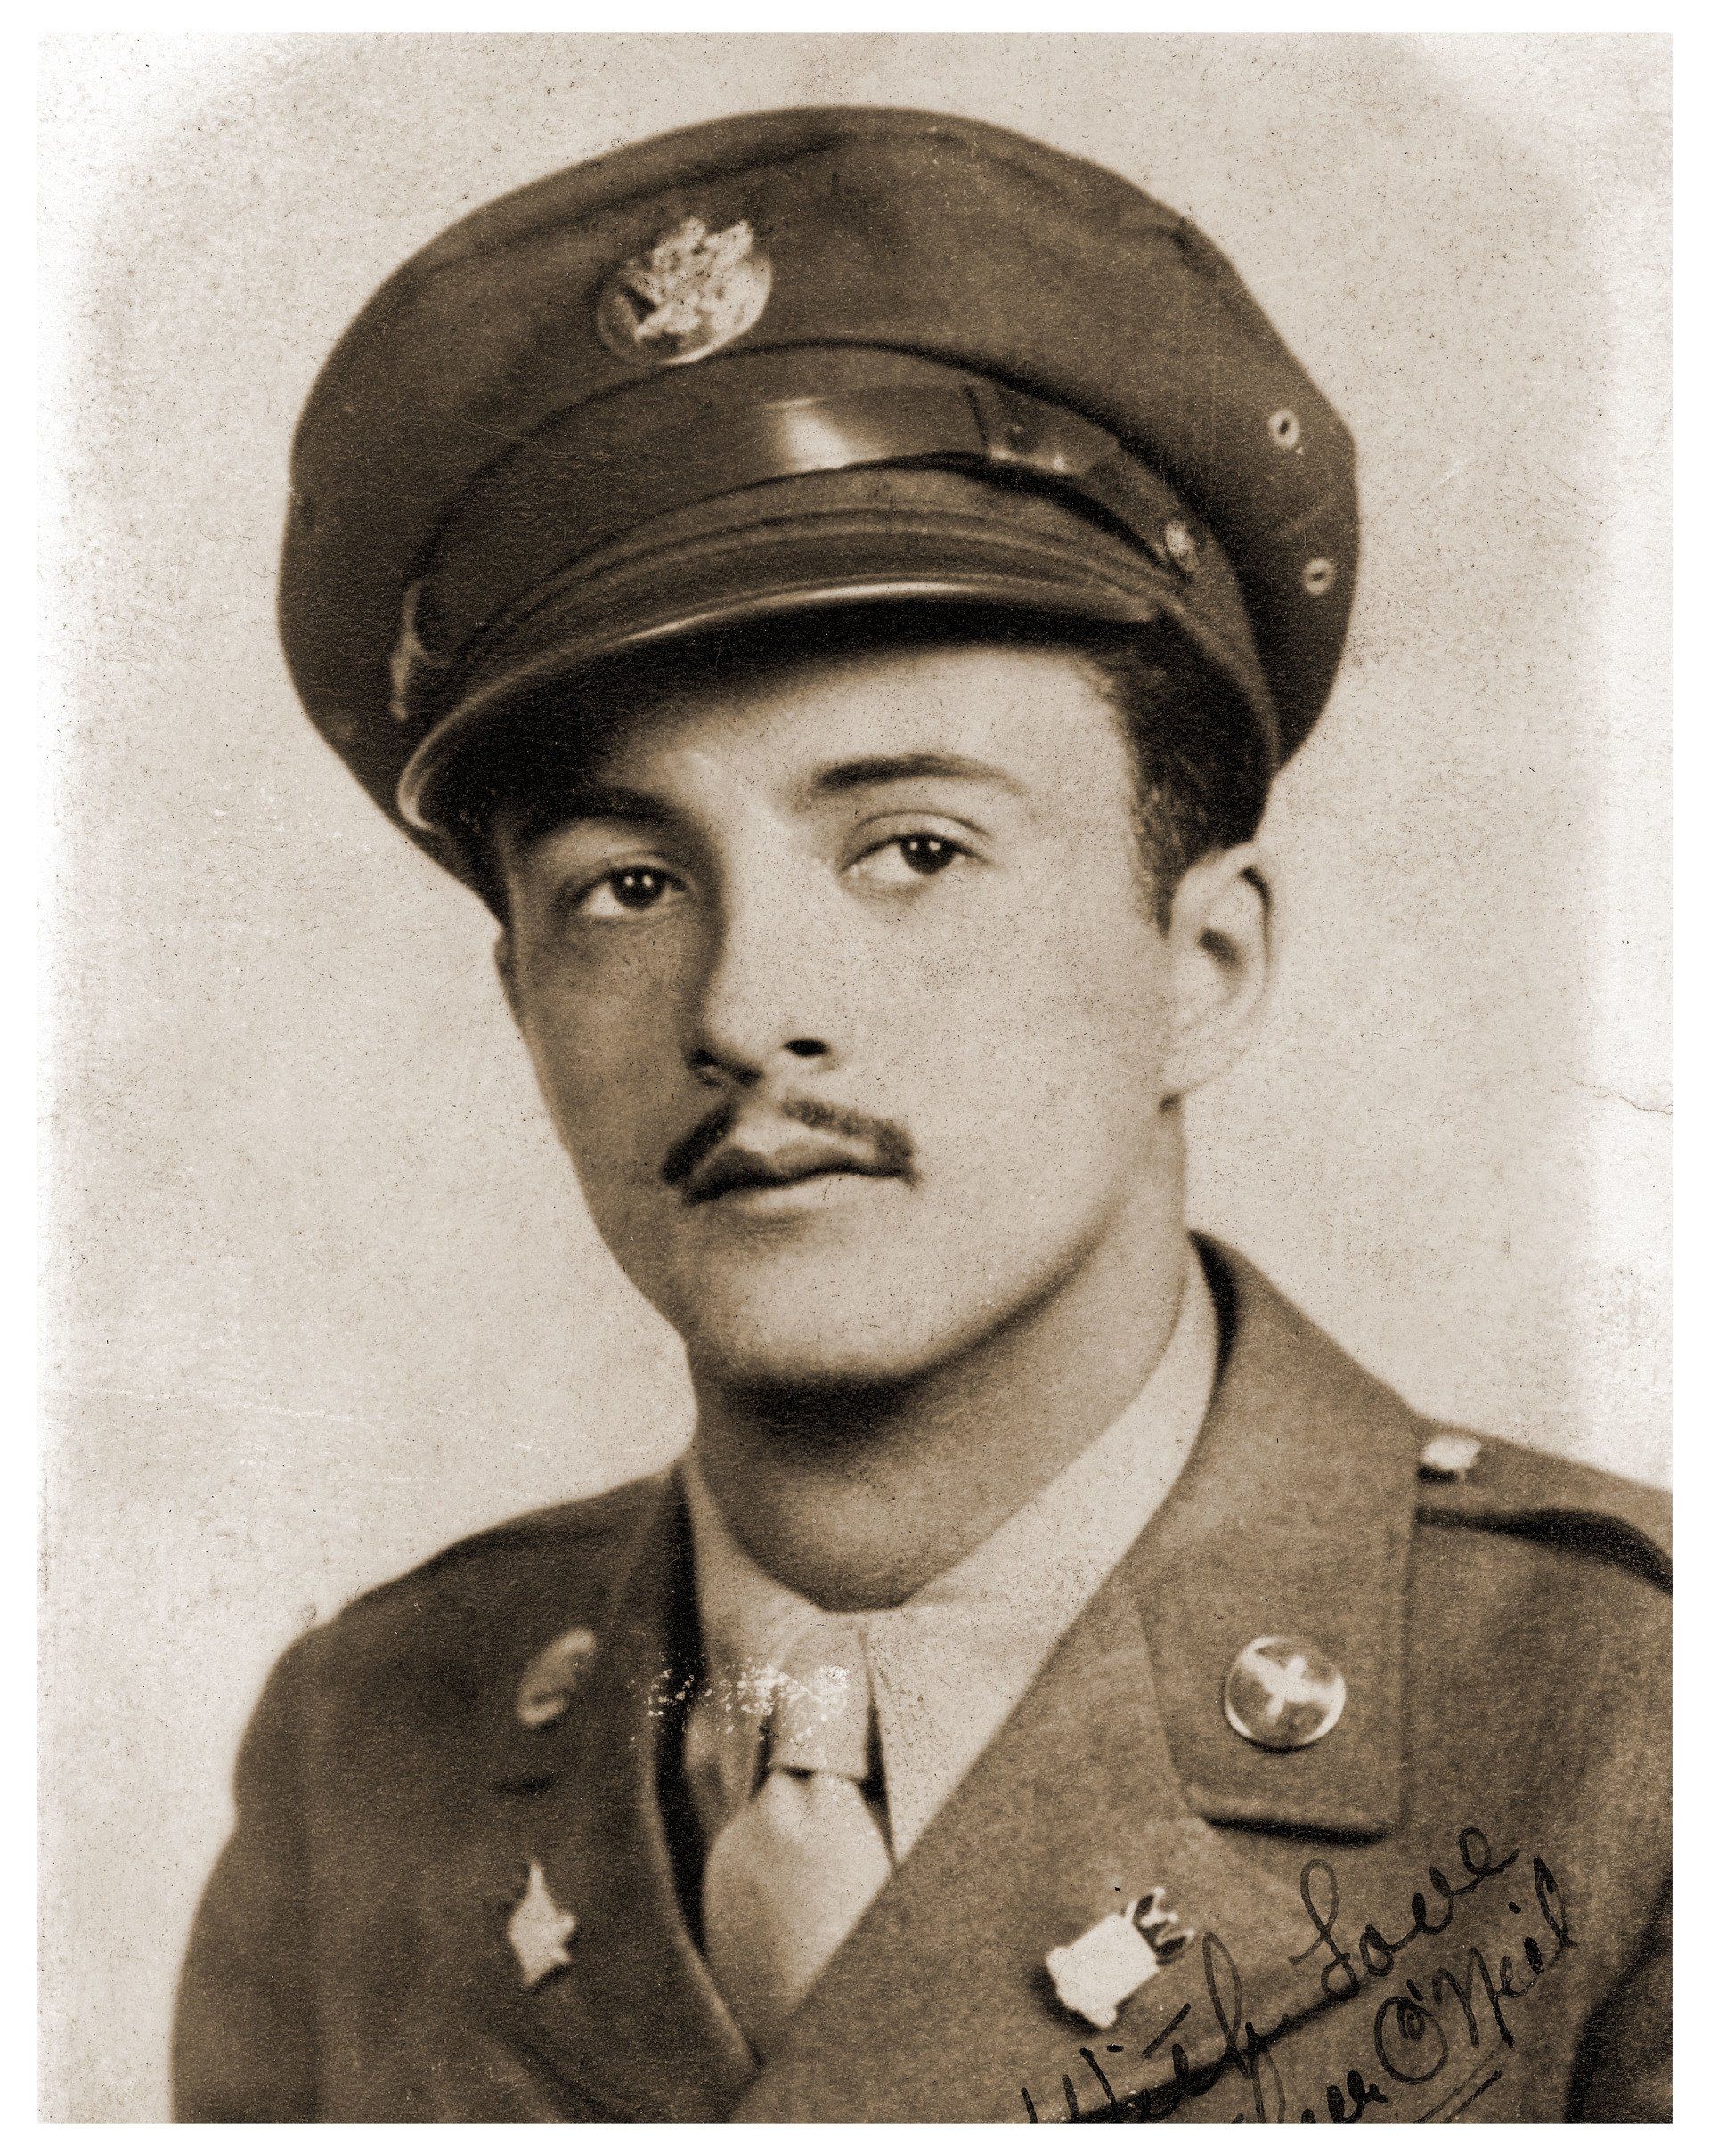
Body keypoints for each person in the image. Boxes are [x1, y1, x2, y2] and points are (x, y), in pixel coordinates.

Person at [173, 106, 1669, 2123]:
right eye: (627, 885)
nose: (744, 1013)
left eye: (914, 850)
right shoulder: (362, 1752)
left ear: (1205, 959)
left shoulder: (1631, 1730)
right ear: (520, 997)